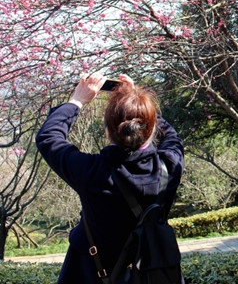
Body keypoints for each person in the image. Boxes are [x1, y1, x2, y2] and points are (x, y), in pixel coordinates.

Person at [36, 73, 184, 283]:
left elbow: (48, 137)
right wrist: (137, 101)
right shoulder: (169, 167)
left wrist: (77, 100)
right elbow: (173, 137)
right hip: (153, 274)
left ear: (107, 131)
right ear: (150, 127)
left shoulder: (92, 172)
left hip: (92, 274)